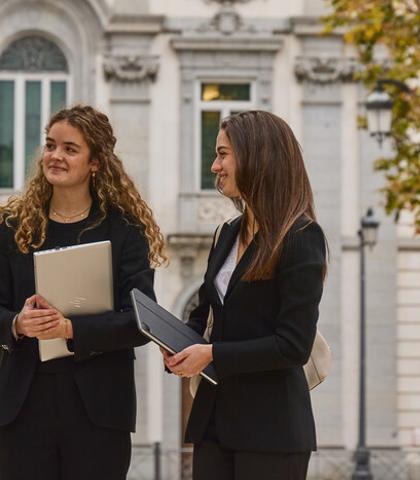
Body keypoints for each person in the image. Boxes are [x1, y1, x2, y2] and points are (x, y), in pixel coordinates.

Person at [0, 105, 167, 480]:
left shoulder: (126, 230)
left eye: (69, 149)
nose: (55, 156)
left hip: (99, 409)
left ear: (95, 162)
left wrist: (70, 330)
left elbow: (139, 323)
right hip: (24, 404)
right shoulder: (11, 228)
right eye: (50, 146)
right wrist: (18, 322)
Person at [162, 110, 327, 479]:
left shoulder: (302, 237)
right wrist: (176, 344)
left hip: (272, 429)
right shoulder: (226, 235)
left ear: (257, 156)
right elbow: (204, 314)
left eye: (223, 154)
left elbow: (293, 345)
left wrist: (211, 354)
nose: (214, 166)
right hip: (214, 423)